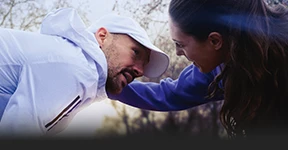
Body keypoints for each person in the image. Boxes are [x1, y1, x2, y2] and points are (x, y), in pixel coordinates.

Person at [108, 0, 288, 139]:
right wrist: (105, 78)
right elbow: (168, 94)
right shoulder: (218, 70)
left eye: (180, 44)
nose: (178, 53)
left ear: (215, 41)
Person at [0, 8, 169, 138]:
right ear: (102, 37)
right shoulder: (76, 68)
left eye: (144, 66)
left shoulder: (75, 65)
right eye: (135, 52)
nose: (139, 70)